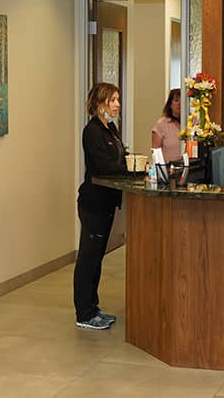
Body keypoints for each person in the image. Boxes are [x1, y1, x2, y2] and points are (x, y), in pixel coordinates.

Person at [74, 82, 127, 330]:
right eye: (113, 100)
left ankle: (93, 308)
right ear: (99, 103)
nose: (117, 104)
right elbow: (103, 166)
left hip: (107, 202)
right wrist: (131, 168)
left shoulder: (111, 129)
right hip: (93, 203)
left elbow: (121, 158)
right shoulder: (92, 131)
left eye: (118, 99)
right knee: (88, 258)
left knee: (97, 259)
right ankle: (84, 313)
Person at [151, 88, 181, 163]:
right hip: (168, 170)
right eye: (176, 100)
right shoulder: (161, 124)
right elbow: (156, 153)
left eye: (182, 101)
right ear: (170, 104)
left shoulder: (192, 122)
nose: (179, 104)